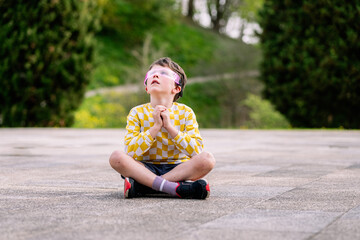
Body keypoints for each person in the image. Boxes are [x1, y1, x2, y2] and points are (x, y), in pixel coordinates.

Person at [109, 57, 216, 199]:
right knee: (116, 157)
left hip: (177, 168)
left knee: (207, 159)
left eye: (164, 73)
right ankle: (173, 187)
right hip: (143, 167)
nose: (155, 75)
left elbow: (196, 150)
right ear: (147, 87)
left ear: (176, 88)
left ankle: (145, 186)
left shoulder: (186, 112)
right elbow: (130, 151)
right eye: (151, 74)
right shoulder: (137, 112)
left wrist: (170, 128)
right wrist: (155, 128)